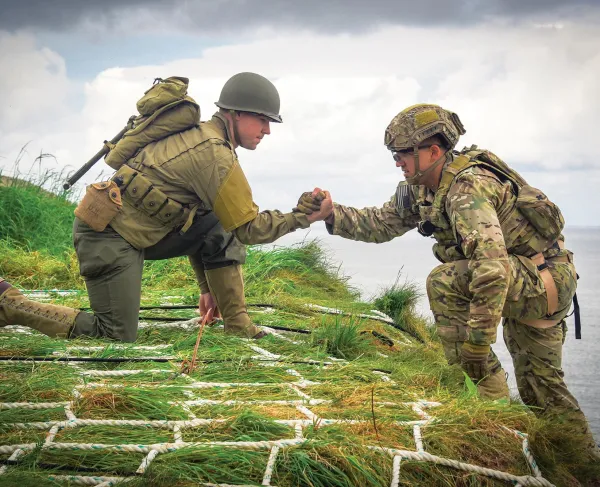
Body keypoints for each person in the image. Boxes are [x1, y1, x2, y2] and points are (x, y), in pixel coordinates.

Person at [296, 103, 598, 455]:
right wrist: (331, 214)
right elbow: (381, 223)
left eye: (402, 153)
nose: (397, 161)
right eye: (395, 154)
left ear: (433, 152)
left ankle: (485, 402)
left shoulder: (467, 191)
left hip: (543, 281)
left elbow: (490, 268)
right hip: (529, 278)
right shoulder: (422, 188)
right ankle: (572, 457)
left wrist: (476, 347)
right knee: (541, 388)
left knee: (444, 281)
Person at [0, 72, 330, 342]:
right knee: (114, 335)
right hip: (108, 237)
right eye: (262, 119)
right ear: (235, 114)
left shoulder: (209, 141)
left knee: (219, 221)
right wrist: (302, 217)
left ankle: (238, 323)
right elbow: (250, 229)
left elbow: (208, 223)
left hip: (143, 233)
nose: (267, 130)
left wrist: (207, 288)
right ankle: (9, 304)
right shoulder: (213, 153)